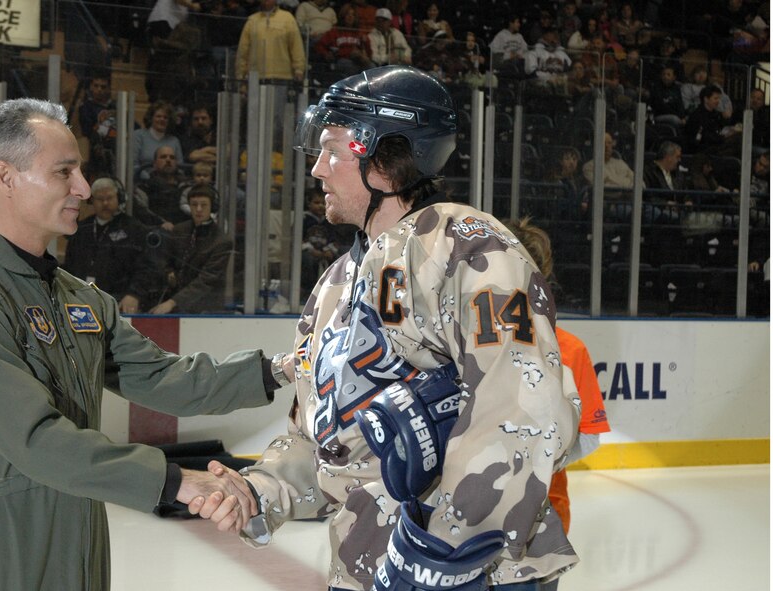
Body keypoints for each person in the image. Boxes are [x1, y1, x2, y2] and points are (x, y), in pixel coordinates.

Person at [209, 66, 581, 590]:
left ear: (384, 158)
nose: (317, 168)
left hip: (481, 573)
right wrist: (259, 490)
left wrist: (443, 554)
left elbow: (523, 406)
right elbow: (326, 440)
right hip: (372, 573)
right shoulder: (337, 283)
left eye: (332, 149)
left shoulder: (465, 246)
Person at [0, 98, 284, 590]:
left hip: (83, 538)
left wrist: (283, 369)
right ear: (6, 177)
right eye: (65, 172)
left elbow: (162, 377)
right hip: (5, 548)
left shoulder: (79, 298)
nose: (83, 189)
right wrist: (177, 480)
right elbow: (36, 441)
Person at [501, 218, 611, 539]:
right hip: (479, 515)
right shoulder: (468, 341)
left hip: (543, 517)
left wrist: (539, 462)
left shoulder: (570, 350)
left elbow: (589, 434)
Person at [62, 178, 162, 314]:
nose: (105, 203)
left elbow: (146, 267)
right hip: (82, 301)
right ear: (91, 201)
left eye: (109, 198)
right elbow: (70, 267)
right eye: (100, 199)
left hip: (119, 301)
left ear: (119, 198)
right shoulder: (80, 230)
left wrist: (134, 294)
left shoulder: (134, 229)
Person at [150, 183, 233, 314]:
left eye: (204, 205)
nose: (198, 209)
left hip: (206, 308)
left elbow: (207, 279)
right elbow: (164, 259)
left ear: (213, 207)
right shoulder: (179, 230)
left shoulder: (221, 240)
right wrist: (168, 271)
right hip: (174, 305)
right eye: (194, 205)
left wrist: (173, 302)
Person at [235, 0, 306, 86]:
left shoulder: (287, 18)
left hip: (282, 76)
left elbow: (296, 46)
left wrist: (299, 69)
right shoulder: (252, 20)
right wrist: (240, 74)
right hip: (256, 76)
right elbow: (243, 50)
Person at [134, 145, 190, 229]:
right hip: (157, 230)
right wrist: (161, 223)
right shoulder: (145, 187)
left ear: (176, 163)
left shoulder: (187, 186)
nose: (168, 160)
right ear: (155, 164)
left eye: (172, 157)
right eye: (163, 157)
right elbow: (142, 212)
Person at [78, 74, 119, 177]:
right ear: (91, 87)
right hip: (95, 151)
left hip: (116, 149)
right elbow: (87, 132)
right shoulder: (86, 107)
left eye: (103, 87)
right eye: (96, 86)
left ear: (109, 89)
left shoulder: (116, 107)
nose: (99, 89)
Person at [684, 85, 742, 156]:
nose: (718, 101)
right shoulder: (697, 115)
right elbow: (704, 137)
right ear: (706, 99)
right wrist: (724, 137)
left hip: (716, 145)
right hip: (704, 150)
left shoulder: (715, 113)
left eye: (719, 98)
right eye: (715, 98)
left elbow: (719, 127)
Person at [132, 101, 184, 181]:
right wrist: (150, 179)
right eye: (158, 116)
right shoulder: (138, 135)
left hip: (169, 183)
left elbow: (180, 168)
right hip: (144, 183)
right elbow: (133, 165)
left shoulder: (174, 141)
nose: (162, 119)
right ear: (151, 118)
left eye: (165, 117)